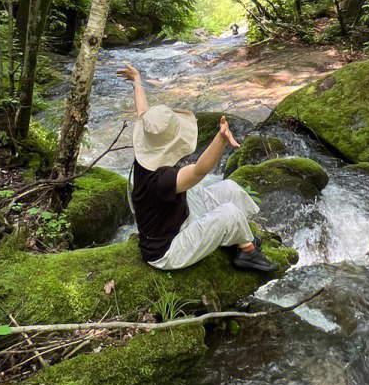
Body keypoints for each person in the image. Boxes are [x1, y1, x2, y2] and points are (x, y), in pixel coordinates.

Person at [117, 62, 277, 273]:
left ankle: (240, 234)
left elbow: (143, 112)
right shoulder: (160, 179)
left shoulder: (147, 147)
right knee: (228, 212)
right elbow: (200, 170)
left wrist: (137, 80)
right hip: (168, 249)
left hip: (178, 220)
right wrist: (220, 139)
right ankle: (246, 251)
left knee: (228, 188)